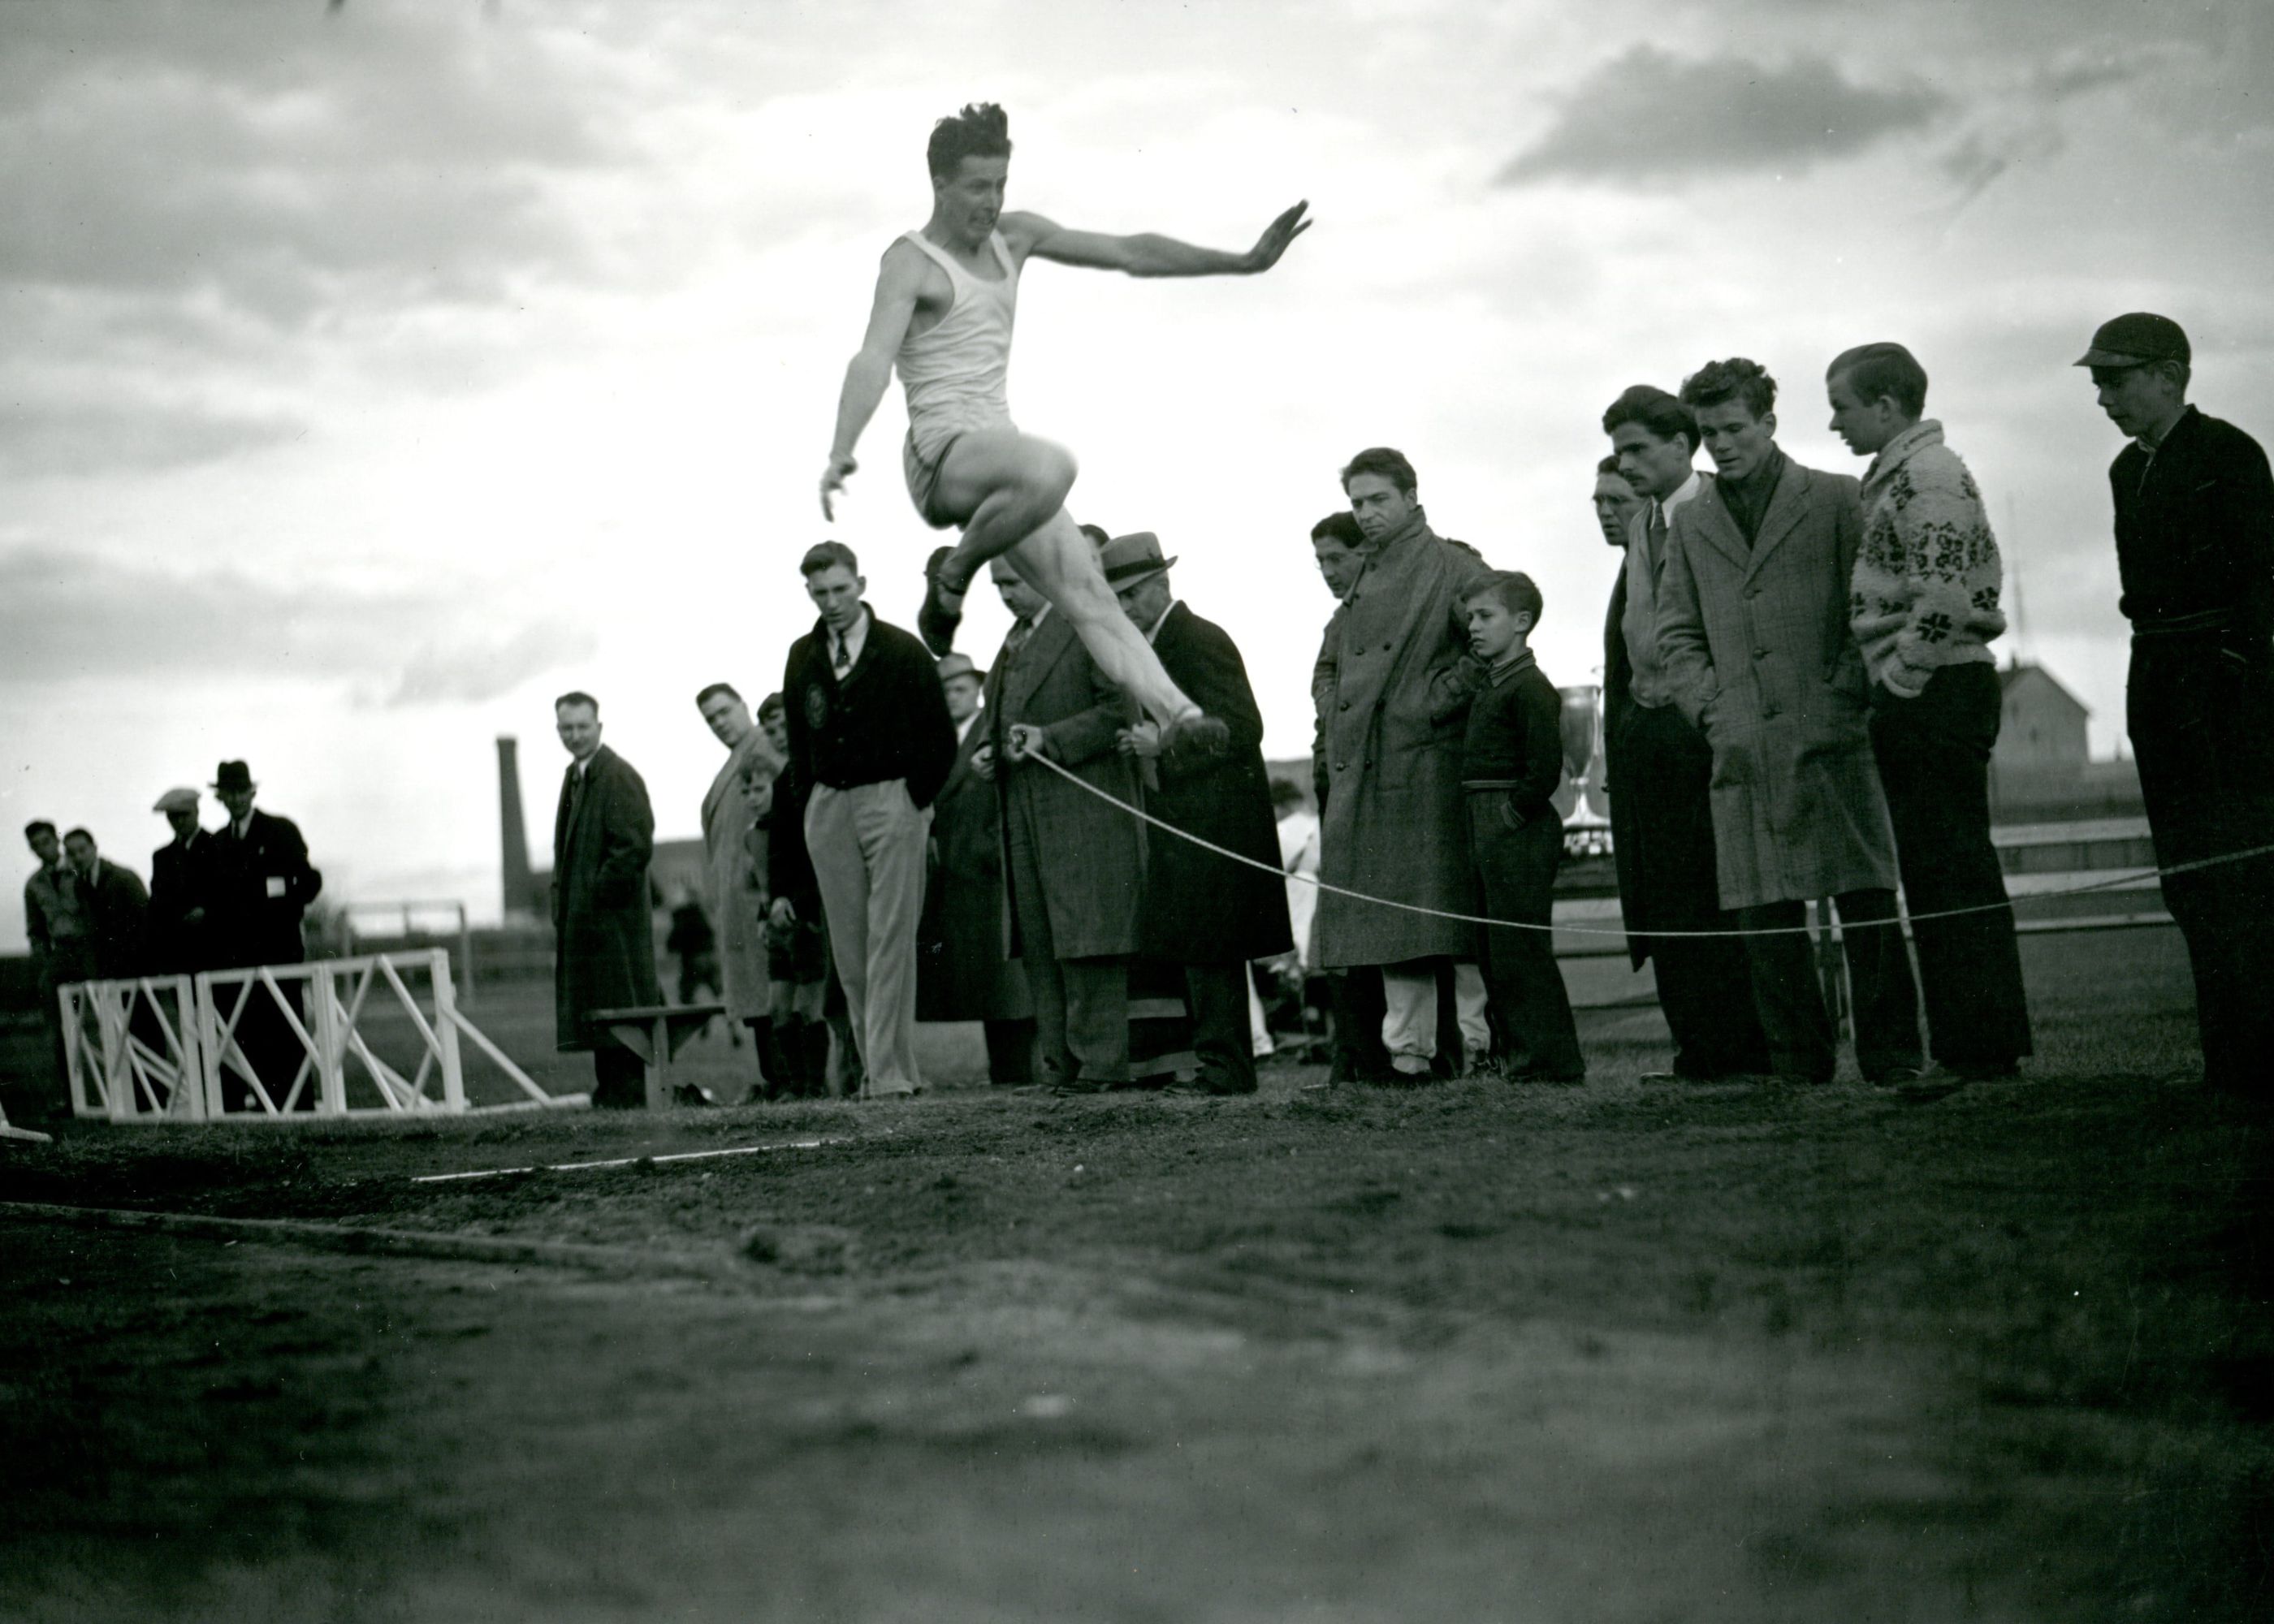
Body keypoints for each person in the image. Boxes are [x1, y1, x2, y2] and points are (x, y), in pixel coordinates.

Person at [819, 101, 1308, 749]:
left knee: (1090, 596)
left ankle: (1180, 715)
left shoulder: (1014, 237)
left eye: (1000, 184)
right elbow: (872, 358)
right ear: (939, 184)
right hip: (941, 458)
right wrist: (840, 450)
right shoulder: (910, 262)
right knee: (1053, 465)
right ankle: (955, 573)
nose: (991, 202)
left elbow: (1128, 251)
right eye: (976, 187)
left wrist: (1241, 261)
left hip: (1005, 464)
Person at [1655, 358, 1927, 1091]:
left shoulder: (1839, 499)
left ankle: (1893, 1056)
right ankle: (1798, 1065)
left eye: (1735, 428)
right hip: (1742, 740)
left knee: (1865, 899)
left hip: (1833, 731)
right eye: (1708, 433)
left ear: (1769, 423)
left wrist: (1845, 689)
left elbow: (1874, 606)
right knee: (1763, 910)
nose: (1722, 445)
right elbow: (1674, 634)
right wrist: (1714, 709)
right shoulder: (1690, 524)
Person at [2077, 312, 2274, 1095]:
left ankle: (2259, 1064)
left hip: (2227, 693)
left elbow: (2263, 584)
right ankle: (2226, 1062)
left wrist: (2233, 677)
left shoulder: (2229, 455)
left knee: (2244, 876)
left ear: (2171, 375)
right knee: (2186, 879)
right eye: (2098, 384)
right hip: (2156, 681)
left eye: (2116, 381)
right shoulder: (2129, 471)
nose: (2104, 399)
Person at [1829, 342, 2034, 1083]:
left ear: (1886, 406)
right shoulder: (1904, 474)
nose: (1833, 423)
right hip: (1934, 687)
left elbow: (1943, 597)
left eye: (1842, 407)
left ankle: (1979, 1048)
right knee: (1943, 870)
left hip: (1937, 688)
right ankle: (1975, 1046)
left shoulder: (1929, 475)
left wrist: (1902, 681)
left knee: (1951, 872)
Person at [1600, 395, 1773, 1085]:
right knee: (1669, 900)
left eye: (1639, 448)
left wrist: (1705, 715)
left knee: (1719, 895)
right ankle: (1698, 1050)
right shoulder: (1643, 523)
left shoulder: (1715, 511)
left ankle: (1745, 1051)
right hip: (1650, 739)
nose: (1626, 462)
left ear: (1682, 444)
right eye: (1619, 450)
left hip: (1703, 732)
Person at [1312, 447, 1493, 1080]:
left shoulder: (1451, 564)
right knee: (1391, 926)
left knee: (1424, 924)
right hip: (1365, 768)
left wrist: (1430, 701)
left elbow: (1494, 636)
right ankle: (1408, 1056)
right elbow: (1335, 658)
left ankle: (1438, 1055)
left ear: (1412, 496)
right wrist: (1334, 709)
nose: (1365, 514)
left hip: (1420, 770)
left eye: (1378, 500)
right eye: (1357, 502)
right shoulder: (1367, 573)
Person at [1104, 532, 1294, 1095]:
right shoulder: (1152, 646)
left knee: (1213, 950)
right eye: (1116, 599)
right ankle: (1218, 1066)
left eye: (1134, 593)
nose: (1126, 607)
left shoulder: (1198, 639)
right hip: (1186, 821)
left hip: (1217, 823)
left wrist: (1163, 746)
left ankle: (1227, 1070)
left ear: (1163, 583)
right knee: (1199, 948)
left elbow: (1244, 726)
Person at [776, 542, 958, 1098]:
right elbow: (799, 743)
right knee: (852, 952)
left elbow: (941, 740)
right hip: (829, 807)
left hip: (892, 802)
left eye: (840, 589)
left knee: (890, 940)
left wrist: (912, 799)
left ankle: (882, 1075)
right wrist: (811, 804)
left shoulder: (902, 651)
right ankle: (893, 1072)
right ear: (808, 591)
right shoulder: (803, 656)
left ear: (860, 584)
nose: (831, 602)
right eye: (820, 592)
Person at [979, 555, 1148, 1092]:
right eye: (997, 586)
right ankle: (1061, 1067)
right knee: (1040, 939)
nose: (1005, 594)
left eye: (1012, 582)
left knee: (1088, 936)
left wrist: (1050, 739)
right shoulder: (1010, 647)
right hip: (1024, 818)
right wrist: (990, 751)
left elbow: (1121, 711)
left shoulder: (1087, 625)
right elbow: (1001, 721)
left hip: (1084, 815)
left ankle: (1101, 1067)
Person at [1458, 573, 1585, 1081]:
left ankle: (1551, 1062)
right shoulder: (1494, 682)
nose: (1473, 626)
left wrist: (1510, 816)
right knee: (1496, 953)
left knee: (1522, 950)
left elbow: (1543, 768)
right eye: (1470, 617)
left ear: (1522, 622)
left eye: (1485, 616)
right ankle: (1518, 1057)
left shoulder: (1530, 687)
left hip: (1514, 826)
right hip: (1486, 821)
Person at [918, 652, 1035, 1086]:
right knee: (988, 982)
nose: (952, 697)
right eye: (945, 690)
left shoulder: (991, 731)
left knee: (1010, 981)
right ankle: (1006, 1071)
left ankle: (1021, 1070)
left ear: (978, 690)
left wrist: (989, 850)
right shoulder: (938, 740)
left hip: (991, 871)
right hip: (958, 876)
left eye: (960, 688)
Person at [551, 693, 663, 1110]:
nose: (575, 735)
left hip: (614, 926)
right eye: (567, 728)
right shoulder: (576, 777)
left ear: (599, 726)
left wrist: (595, 901)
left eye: (583, 726)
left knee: (622, 1006)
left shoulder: (617, 776)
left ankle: (628, 1091)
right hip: (587, 926)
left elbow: (633, 849)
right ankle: (612, 1090)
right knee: (599, 1009)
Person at [204, 760, 323, 1108]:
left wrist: (284, 909)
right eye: (230, 793)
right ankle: (262, 1106)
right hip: (236, 959)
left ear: (252, 792)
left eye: (242, 791)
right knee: (246, 1035)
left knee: (286, 1031)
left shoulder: (280, 830)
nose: (237, 798)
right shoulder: (217, 843)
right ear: (221, 797)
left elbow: (309, 880)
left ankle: (298, 1107)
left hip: (278, 952)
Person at [696, 680, 785, 1092]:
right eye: (710, 718)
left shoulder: (765, 749)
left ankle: (787, 1082)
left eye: (724, 711)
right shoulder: (732, 763)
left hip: (762, 893)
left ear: (743, 706)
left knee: (775, 992)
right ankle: (773, 1080)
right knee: (755, 998)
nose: (719, 723)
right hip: (736, 900)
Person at [22, 819, 88, 1120]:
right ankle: (70, 1099)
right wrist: (45, 960)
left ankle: (110, 1094)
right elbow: (35, 930)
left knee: (101, 1021)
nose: (42, 849)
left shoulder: (79, 868)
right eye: (35, 845)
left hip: (88, 954)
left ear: (56, 840)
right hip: (59, 959)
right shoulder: (34, 885)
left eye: (46, 841)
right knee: (59, 1030)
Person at [61, 828, 149, 980]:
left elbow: (146, 922)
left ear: (94, 848)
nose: (78, 857)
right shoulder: (80, 884)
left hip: (137, 966)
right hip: (106, 968)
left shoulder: (124, 878)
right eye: (72, 853)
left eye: (82, 850)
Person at [146, 787, 214, 975]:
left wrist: (207, 910)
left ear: (197, 811)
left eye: (185, 814)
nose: (180, 821)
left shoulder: (218, 845)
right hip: (177, 952)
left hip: (214, 949)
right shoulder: (162, 857)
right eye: (173, 817)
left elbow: (229, 891)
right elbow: (157, 903)